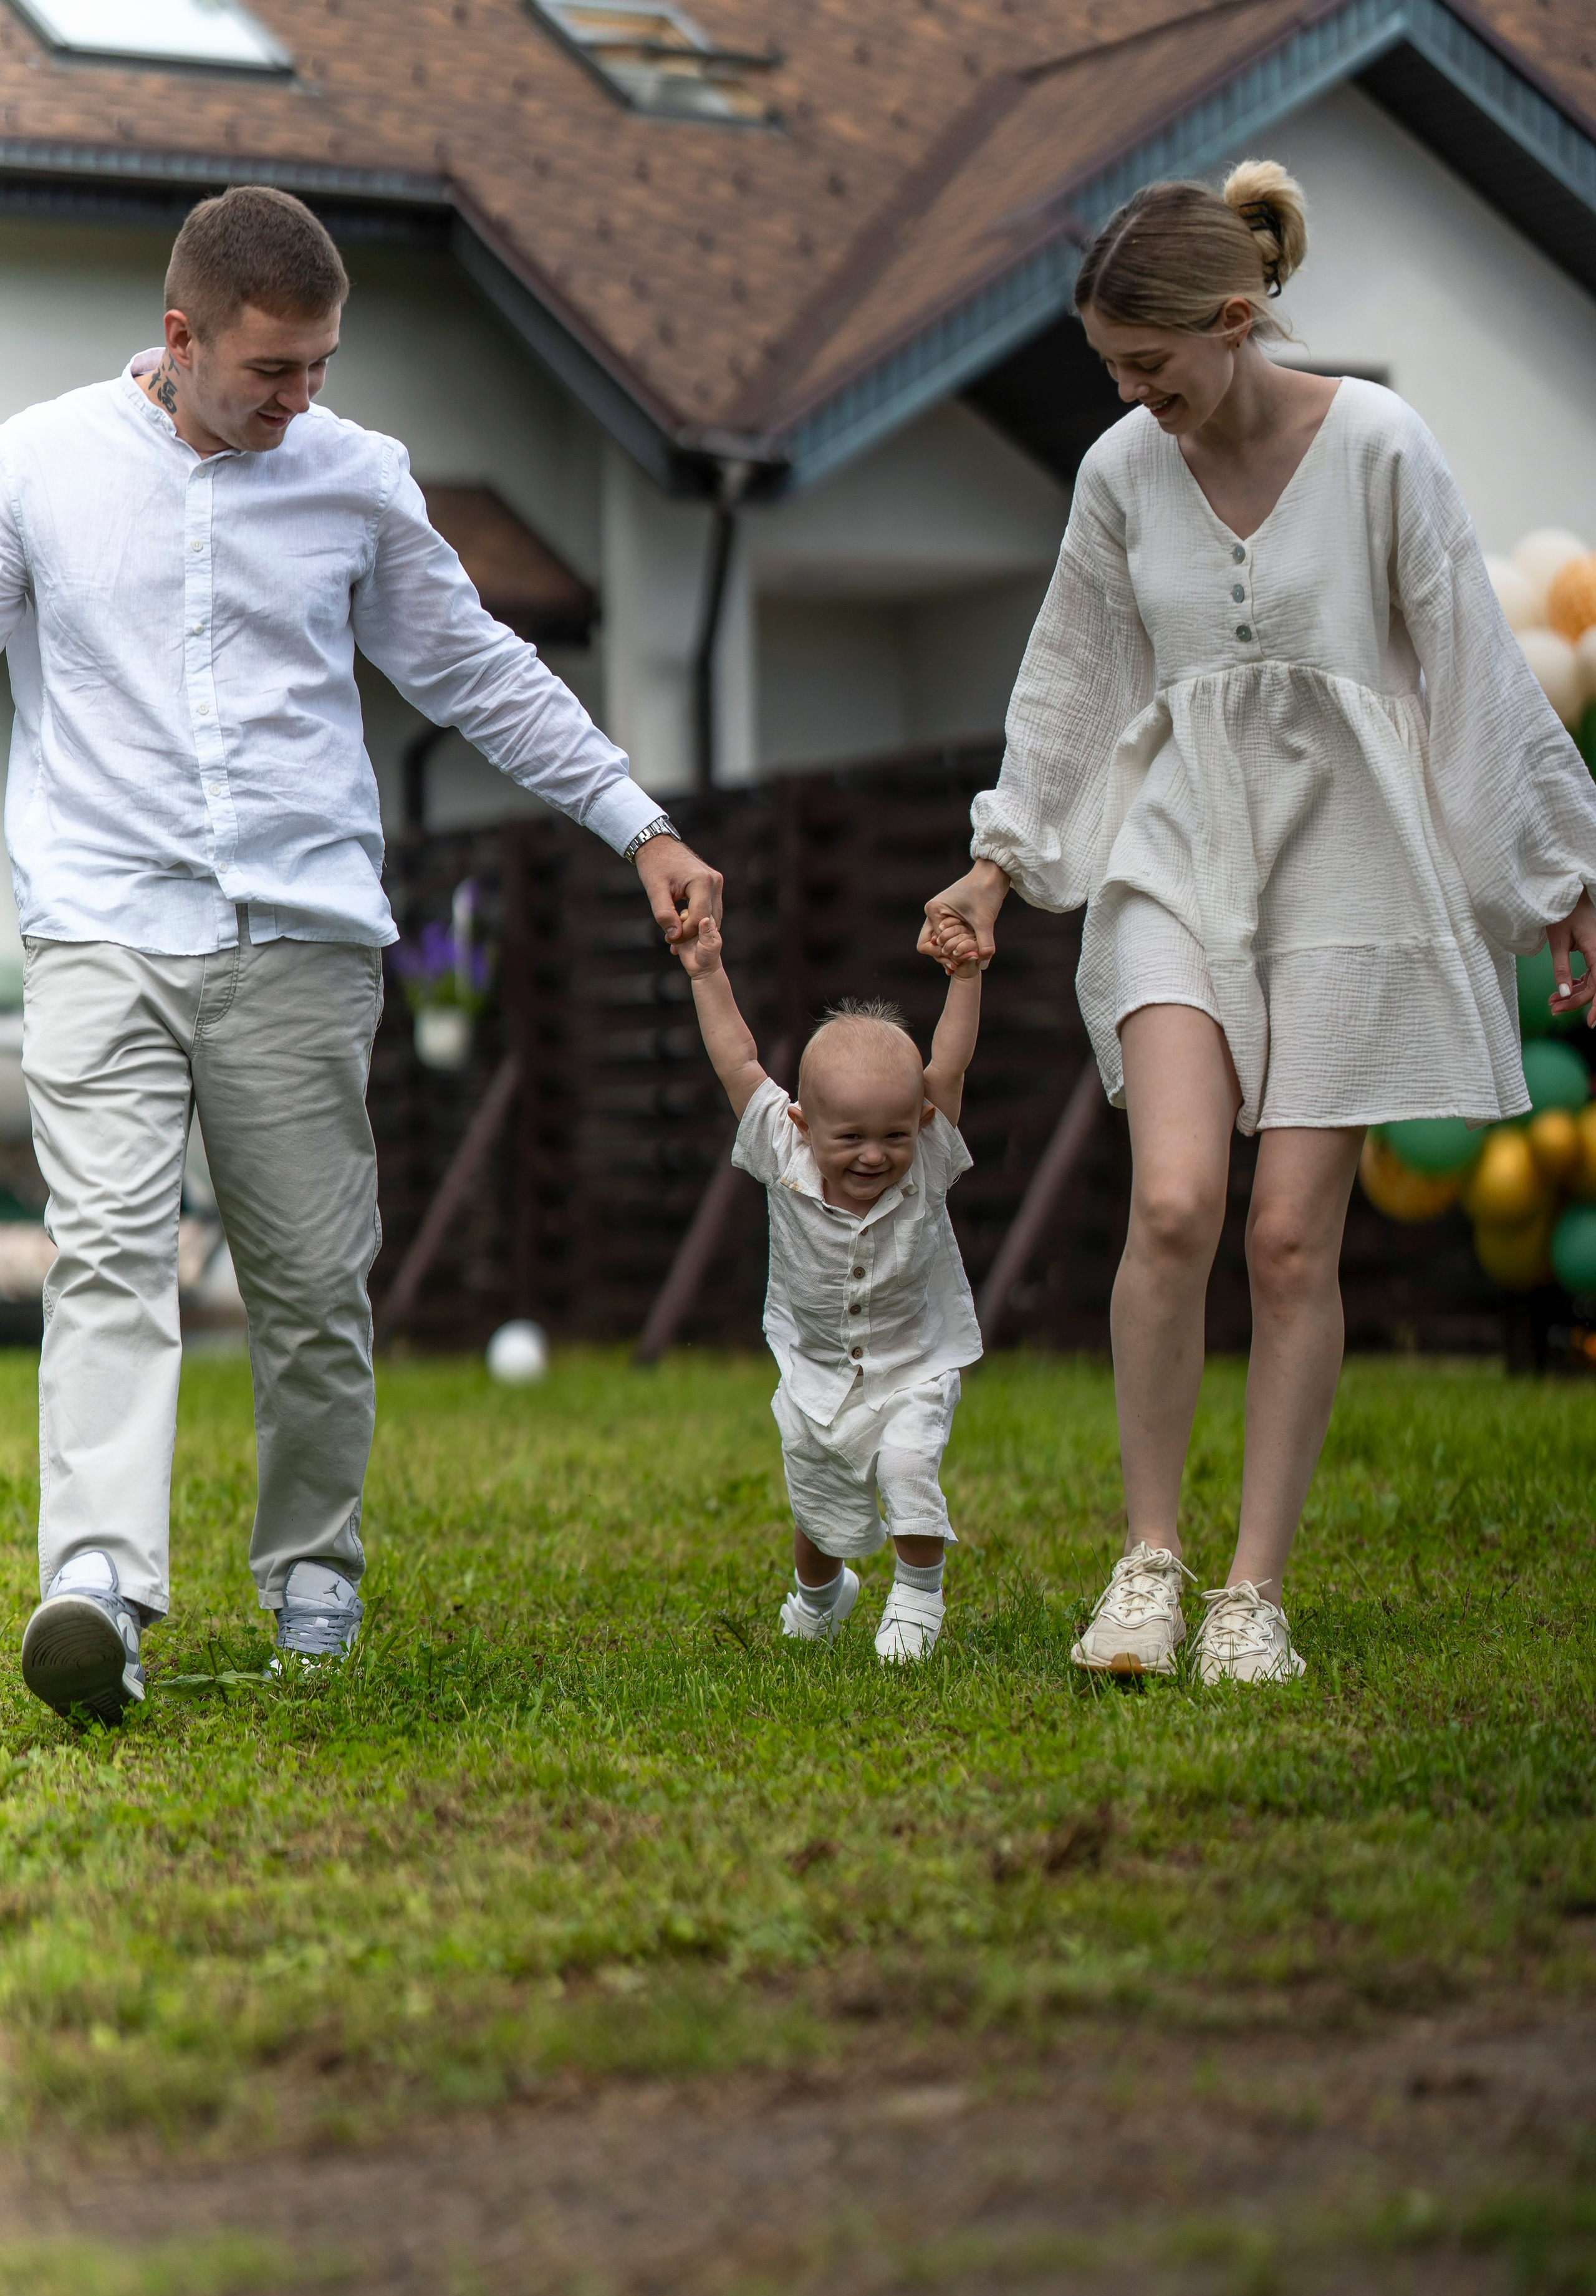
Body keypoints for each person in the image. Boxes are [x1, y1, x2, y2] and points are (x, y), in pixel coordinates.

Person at [6, 185, 722, 1725]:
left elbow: (474, 666)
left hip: (300, 935)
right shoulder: (39, 463)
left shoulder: (355, 479)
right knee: (115, 1257)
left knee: (310, 1283)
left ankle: (312, 1572)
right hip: (100, 925)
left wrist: (635, 821)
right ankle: (101, 1593)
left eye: (322, 364)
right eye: (273, 369)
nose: (303, 396)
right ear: (181, 337)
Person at [921, 160, 1596, 1685]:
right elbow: (1071, 679)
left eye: (1146, 366)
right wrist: (996, 860)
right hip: (1177, 854)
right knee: (1173, 1203)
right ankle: (1145, 1564)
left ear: (1235, 323)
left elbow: (1475, 664)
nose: (1128, 393)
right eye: (1110, 368)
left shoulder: (1379, 447)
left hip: (1353, 865)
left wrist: (1560, 874)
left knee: (1290, 1240)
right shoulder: (1114, 475)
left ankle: (1251, 1595)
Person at [676, 914, 983, 1659]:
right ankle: (820, 1597)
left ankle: (917, 1596)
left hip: (915, 1362)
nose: (876, 1156)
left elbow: (951, 1063)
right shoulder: (779, 1143)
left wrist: (966, 979)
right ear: (805, 1125)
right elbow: (736, 1060)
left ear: (923, 1121)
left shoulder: (931, 1146)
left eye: (896, 1135)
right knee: (819, 1511)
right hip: (816, 1373)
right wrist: (707, 972)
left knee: (910, 1466)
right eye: (851, 1138)